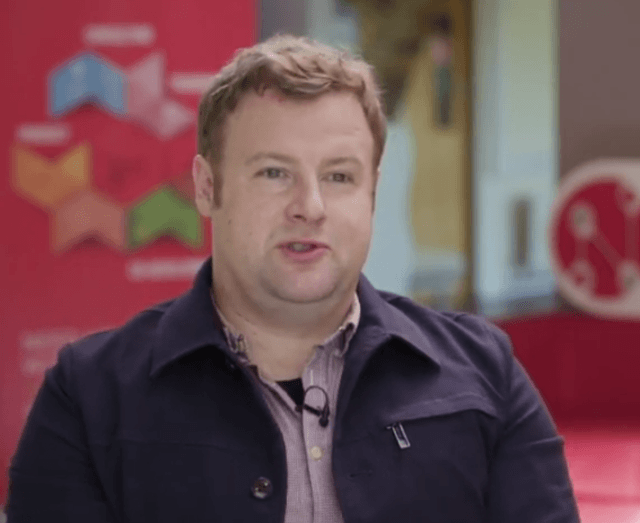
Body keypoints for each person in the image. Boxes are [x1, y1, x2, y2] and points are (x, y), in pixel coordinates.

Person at [6, 35, 579, 523]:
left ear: (372, 190)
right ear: (207, 187)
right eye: (275, 173)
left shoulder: (484, 371)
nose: (310, 206)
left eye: (339, 176)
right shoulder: (88, 397)